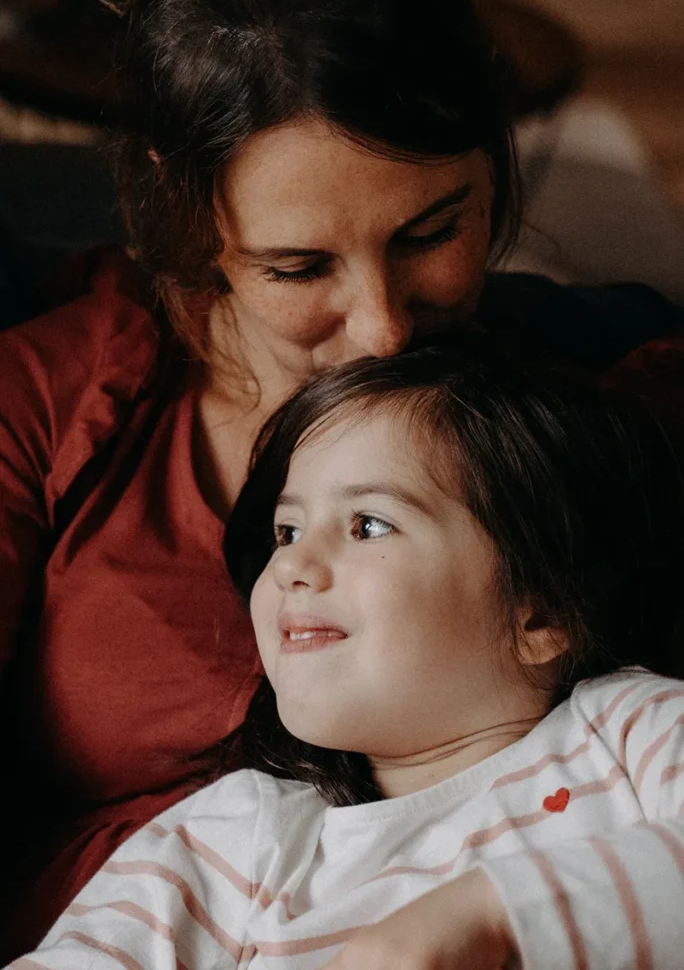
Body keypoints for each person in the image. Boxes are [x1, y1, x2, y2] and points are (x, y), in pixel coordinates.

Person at [1, 0, 683, 959]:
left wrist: (477, 920)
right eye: (299, 265)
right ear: (189, 214)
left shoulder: (591, 401)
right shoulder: (51, 405)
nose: (384, 331)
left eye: (429, 232)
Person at [10, 336, 684, 969]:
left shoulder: (629, 732)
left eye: (367, 525)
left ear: (540, 612)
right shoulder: (235, 840)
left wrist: (490, 915)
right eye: (287, 529)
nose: (293, 564)